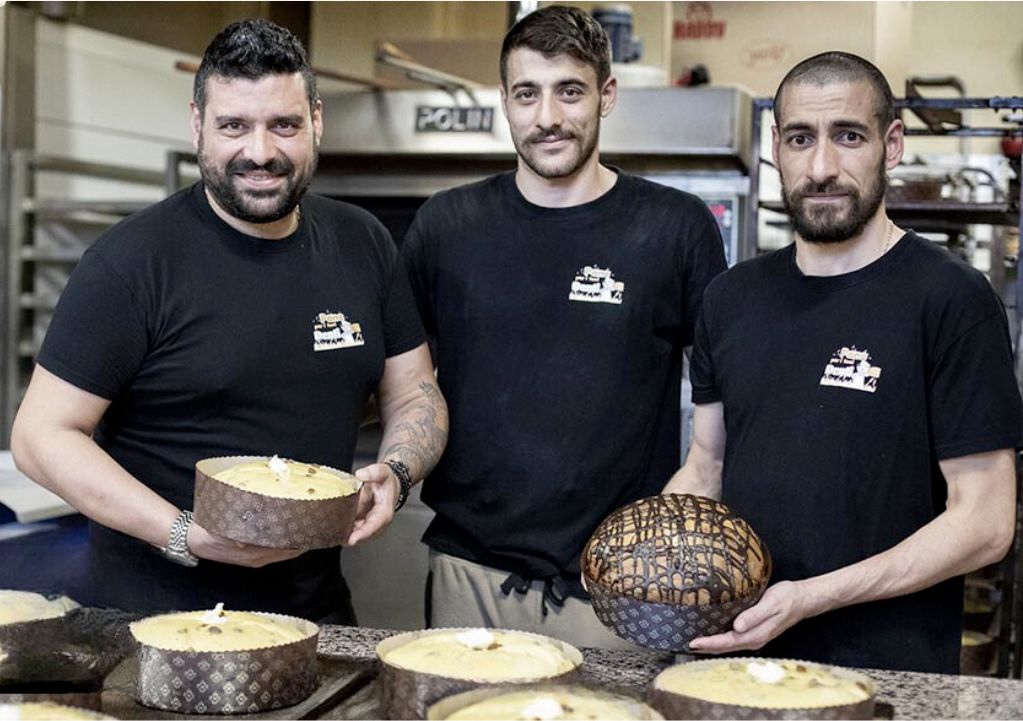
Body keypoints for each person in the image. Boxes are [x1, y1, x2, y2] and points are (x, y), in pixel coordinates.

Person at [10, 19, 447, 624]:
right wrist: (183, 533)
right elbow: (41, 437)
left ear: (316, 121)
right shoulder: (131, 263)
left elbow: (415, 391)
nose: (260, 152)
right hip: (152, 626)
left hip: (313, 620)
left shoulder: (364, 243)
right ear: (198, 125)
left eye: (284, 125)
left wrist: (396, 473)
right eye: (234, 126)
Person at [664, 51, 1021, 673]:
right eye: (801, 138)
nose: (821, 168)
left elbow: (985, 522)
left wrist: (808, 598)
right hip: (735, 660)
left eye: (848, 136)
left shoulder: (952, 299)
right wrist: (643, 559)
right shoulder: (730, 298)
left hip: (887, 673)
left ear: (892, 144)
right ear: (776, 147)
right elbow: (707, 466)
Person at [402, 5, 727, 647]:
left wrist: (700, 479)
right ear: (505, 101)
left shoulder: (675, 227)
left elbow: (727, 386)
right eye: (527, 94)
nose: (547, 116)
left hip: (622, 580)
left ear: (607, 95)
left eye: (569, 91)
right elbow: (401, 381)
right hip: (470, 573)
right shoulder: (446, 225)